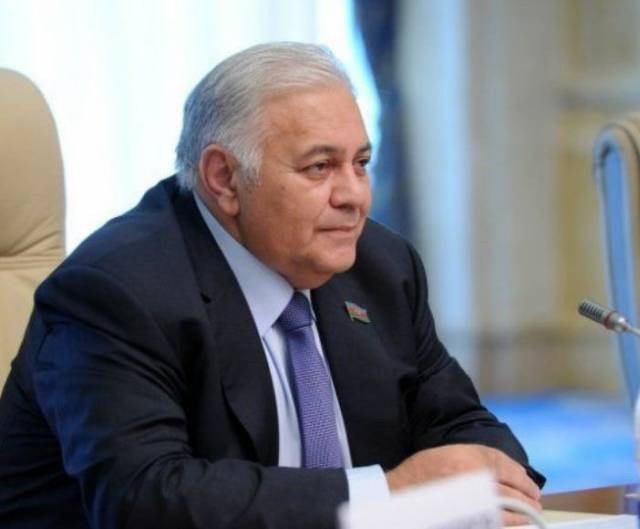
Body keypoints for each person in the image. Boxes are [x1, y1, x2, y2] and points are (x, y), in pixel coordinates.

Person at [0, 42, 544, 529]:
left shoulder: (380, 266)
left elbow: (459, 422)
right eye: (320, 167)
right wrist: (390, 494)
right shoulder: (118, 291)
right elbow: (145, 499)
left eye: (361, 163)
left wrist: (489, 474)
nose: (355, 196)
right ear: (224, 178)